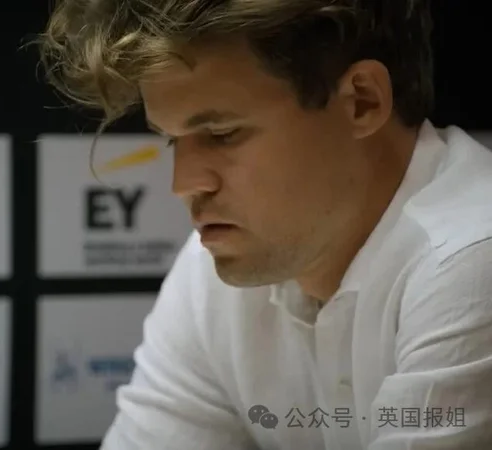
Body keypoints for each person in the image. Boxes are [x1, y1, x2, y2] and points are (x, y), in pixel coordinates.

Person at [34, 0, 492, 449]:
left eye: (222, 134)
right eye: (173, 141)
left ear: (361, 101)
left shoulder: (471, 255)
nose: (183, 185)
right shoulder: (209, 269)